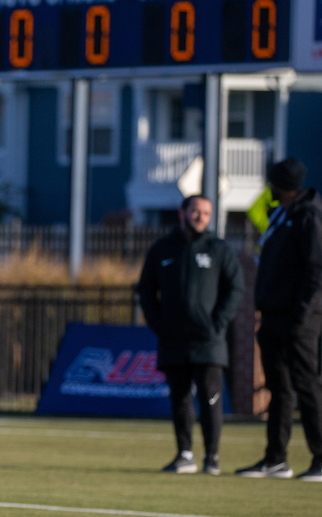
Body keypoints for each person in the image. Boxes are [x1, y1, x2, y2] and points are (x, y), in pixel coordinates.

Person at [137, 195, 243, 475]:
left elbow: (236, 289)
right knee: (180, 398)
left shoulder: (219, 249)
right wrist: (158, 323)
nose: (200, 217)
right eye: (195, 211)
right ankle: (185, 454)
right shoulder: (163, 249)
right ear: (182, 212)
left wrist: (217, 323)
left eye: (206, 213)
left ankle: (212, 457)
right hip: (173, 339)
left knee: (210, 398)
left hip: (208, 341)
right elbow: (146, 289)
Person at [239, 159, 322, 481]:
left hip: (299, 317)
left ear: (280, 184)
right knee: (279, 387)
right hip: (273, 314)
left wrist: (302, 314)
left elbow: (316, 271)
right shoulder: (281, 214)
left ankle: (319, 457)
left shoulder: (309, 215)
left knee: (306, 385)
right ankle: (276, 458)